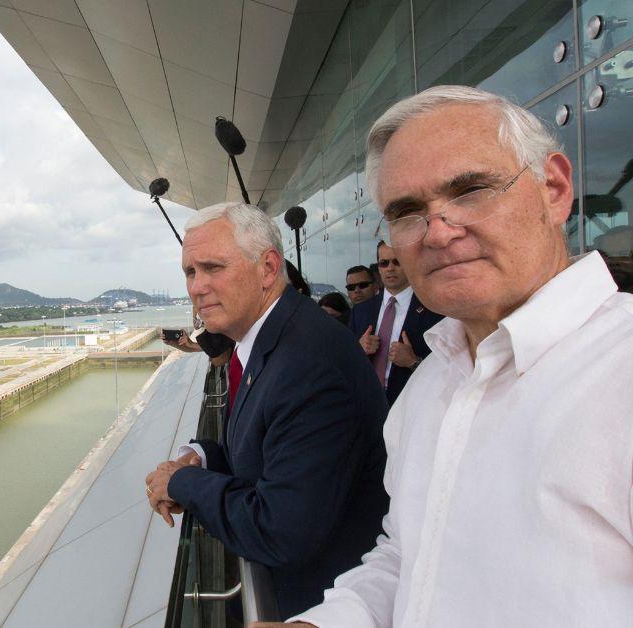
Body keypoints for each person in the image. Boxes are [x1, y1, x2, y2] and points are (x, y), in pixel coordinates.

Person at [263, 86, 633, 627]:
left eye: (472, 190)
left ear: (553, 190)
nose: (437, 231)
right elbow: (410, 556)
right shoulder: (433, 381)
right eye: (408, 211)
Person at [144, 202, 389, 618]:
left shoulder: (309, 363)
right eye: (190, 272)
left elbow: (279, 529)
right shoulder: (270, 341)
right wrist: (201, 457)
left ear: (268, 268)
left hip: (322, 606)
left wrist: (184, 483)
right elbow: (261, 452)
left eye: (213, 267)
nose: (196, 287)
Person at [349, 241, 443, 405]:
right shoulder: (361, 311)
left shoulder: (433, 310)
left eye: (397, 261)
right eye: (384, 263)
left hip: (411, 405)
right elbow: (343, 362)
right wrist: (358, 349)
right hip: (365, 405)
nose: (390, 268)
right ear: (378, 268)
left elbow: (448, 371)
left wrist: (413, 362)